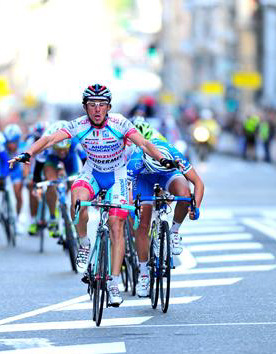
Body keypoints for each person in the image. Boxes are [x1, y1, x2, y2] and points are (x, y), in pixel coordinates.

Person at [10, 84, 175, 306]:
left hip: (118, 175)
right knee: (77, 202)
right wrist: (27, 153)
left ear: (108, 107)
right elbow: (49, 139)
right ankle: (84, 243)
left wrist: (161, 158)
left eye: (101, 105)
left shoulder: (120, 123)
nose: (96, 109)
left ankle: (114, 282)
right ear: (85, 108)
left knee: (117, 225)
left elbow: (144, 143)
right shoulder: (79, 125)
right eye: (91, 105)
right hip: (93, 173)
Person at [127, 138, 204, 297]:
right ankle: (143, 274)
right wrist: (133, 211)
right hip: (143, 178)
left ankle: (174, 232)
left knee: (184, 195)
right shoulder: (135, 161)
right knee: (142, 224)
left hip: (168, 173)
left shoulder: (175, 155)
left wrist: (195, 207)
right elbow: (127, 195)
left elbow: (198, 183)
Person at [31, 121, 87, 237]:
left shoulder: (76, 141)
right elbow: (38, 166)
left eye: (64, 149)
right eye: (59, 150)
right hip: (51, 159)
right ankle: (52, 217)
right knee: (51, 183)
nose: (62, 152)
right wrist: (37, 182)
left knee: (74, 186)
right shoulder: (47, 144)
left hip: (70, 160)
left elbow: (85, 162)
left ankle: (71, 216)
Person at [24, 122, 47, 235]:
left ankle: (54, 215)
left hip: (47, 168)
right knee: (33, 192)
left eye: (40, 138)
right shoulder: (29, 142)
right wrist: (27, 176)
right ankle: (33, 220)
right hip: (34, 170)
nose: (38, 140)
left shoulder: (49, 140)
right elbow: (26, 162)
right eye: (37, 137)